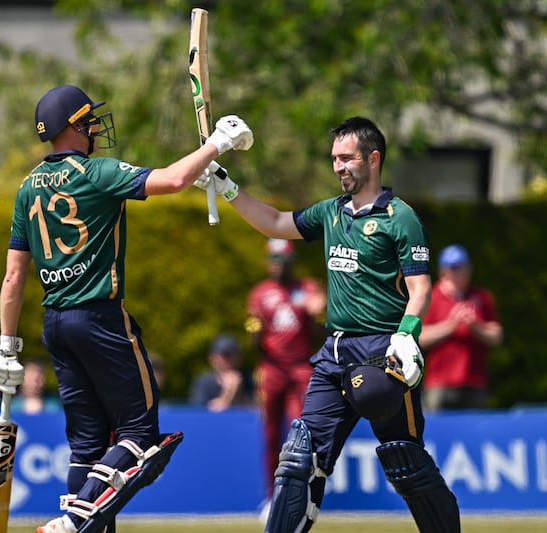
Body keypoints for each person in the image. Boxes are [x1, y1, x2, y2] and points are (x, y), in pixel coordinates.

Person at [0, 84, 253, 533]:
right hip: (100, 320)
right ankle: (73, 520)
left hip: (56, 325)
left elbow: (13, 277)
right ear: (73, 126)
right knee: (140, 434)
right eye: (89, 119)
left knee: (87, 446)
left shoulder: (26, 188)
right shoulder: (96, 172)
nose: (95, 127)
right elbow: (172, 180)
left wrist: (7, 346)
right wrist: (216, 145)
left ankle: (76, 520)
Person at [195, 116, 460, 532]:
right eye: (334, 158)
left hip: (383, 354)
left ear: (373, 159)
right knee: (299, 461)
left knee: (405, 461)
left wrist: (407, 335)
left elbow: (420, 288)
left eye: (347, 158)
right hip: (334, 352)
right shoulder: (330, 213)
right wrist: (227, 188)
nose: (338, 166)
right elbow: (276, 223)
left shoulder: (400, 218)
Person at [246, 238, 326, 504]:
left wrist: (317, 314)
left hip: (301, 367)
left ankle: (299, 494)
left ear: (292, 262)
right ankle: (272, 497)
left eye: (283, 260)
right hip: (272, 368)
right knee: (270, 434)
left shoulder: (306, 288)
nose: (278, 266)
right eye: (274, 260)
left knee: (300, 431)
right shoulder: (260, 293)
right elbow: (253, 341)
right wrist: (255, 329)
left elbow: (320, 331)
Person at [419, 244, 503, 411]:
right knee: (437, 425)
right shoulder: (431, 297)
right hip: (439, 383)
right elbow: (419, 337)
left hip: (475, 382)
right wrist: (451, 326)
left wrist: (475, 326)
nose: (459, 273)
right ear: (443, 271)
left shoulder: (481, 297)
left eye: (462, 267)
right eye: (453, 268)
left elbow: (497, 336)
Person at [189, 333, 255, 412]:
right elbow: (198, 412)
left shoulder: (249, 379)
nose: (229, 360)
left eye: (233, 355)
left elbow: (257, 410)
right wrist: (227, 395)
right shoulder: (204, 382)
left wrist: (237, 392)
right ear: (213, 359)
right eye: (225, 355)